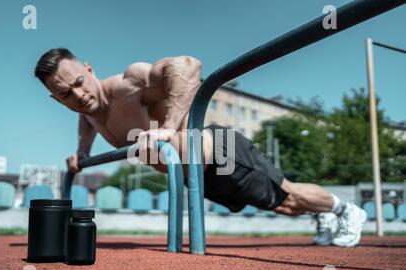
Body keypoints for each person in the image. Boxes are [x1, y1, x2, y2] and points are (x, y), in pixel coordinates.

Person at [34, 48, 366, 247]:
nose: (78, 95)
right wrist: (80, 157)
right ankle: (323, 216)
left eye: (79, 83)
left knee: (287, 193)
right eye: (66, 94)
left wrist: (167, 128)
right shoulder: (87, 115)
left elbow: (188, 65)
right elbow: (85, 136)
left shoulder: (128, 84)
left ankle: (345, 210)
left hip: (218, 153)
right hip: (197, 175)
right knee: (277, 205)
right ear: (56, 99)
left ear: (88, 69)